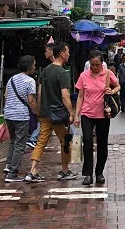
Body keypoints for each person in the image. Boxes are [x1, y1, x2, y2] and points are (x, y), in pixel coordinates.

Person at [27, 42, 77, 183]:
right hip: (58, 115)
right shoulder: (62, 73)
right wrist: (71, 113)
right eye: (67, 52)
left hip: (45, 113)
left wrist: (40, 110)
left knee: (41, 141)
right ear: (62, 54)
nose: (68, 54)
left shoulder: (45, 70)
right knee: (66, 140)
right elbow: (65, 96)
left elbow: (40, 92)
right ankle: (65, 170)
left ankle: (33, 170)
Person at [74, 50, 119, 186]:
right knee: (87, 142)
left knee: (102, 144)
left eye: (97, 64)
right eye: (92, 64)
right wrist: (76, 115)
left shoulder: (107, 73)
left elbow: (117, 86)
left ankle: (99, 172)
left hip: (103, 114)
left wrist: (112, 91)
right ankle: (88, 174)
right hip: (87, 113)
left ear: (102, 63)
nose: (95, 67)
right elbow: (80, 96)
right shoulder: (83, 75)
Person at [3, 55, 37, 183]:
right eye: (34, 64)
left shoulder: (12, 79)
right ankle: (13, 173)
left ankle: (8, 165)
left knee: (13, 141)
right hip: (21, 115)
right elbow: (31, 100)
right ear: (29, 66)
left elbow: (6, 95)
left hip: (9, 114)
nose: (34, 67)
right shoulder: (30, 81)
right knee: (20, 144)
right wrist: (37, 113)